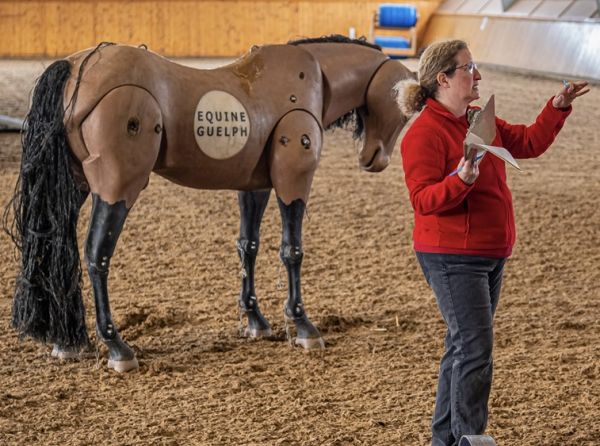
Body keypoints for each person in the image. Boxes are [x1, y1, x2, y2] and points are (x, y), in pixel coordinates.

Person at [396, 40, 589, 446]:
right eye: (469, 67)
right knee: (475, 350)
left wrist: (556, 106)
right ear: (443, 78)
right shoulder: (422, 135)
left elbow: (528, 143)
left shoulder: (478, 120)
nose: (478, 75)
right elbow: (423, 200)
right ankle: (470, 438)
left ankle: (445, 441)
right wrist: (461, 181)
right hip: (451, 256)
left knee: (462, 347)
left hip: (488, 252)